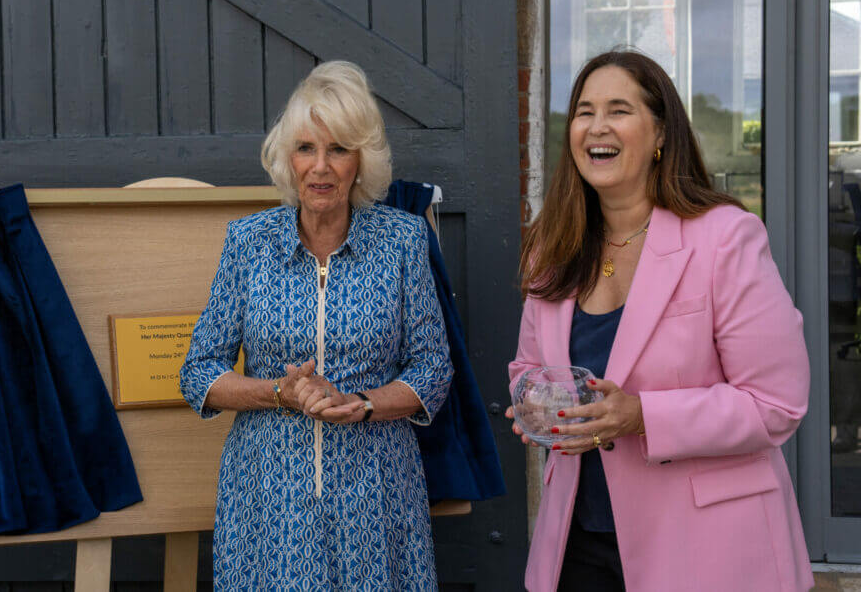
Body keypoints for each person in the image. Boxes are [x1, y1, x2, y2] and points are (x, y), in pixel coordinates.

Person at [505, 50, 813, 592]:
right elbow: (530, 366)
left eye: (619, 110)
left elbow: (777, 403)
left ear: (661, 133)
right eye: (583, 111)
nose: (597, 126)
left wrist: (642, 415)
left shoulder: (725, 237)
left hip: (709, 550)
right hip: (577, 546)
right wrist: (535, 402)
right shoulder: (550, 250)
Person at [181, 60, 452, 590]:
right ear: (288, 158)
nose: (321, 167)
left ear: (361, 162)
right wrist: (278, 392)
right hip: (269, 492)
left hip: (376, 489)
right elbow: (198, 372)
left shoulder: (402, 241)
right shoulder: (249, 241)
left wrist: (365, 404)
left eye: (338, 149)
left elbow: (433, 368)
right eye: (306, 148)